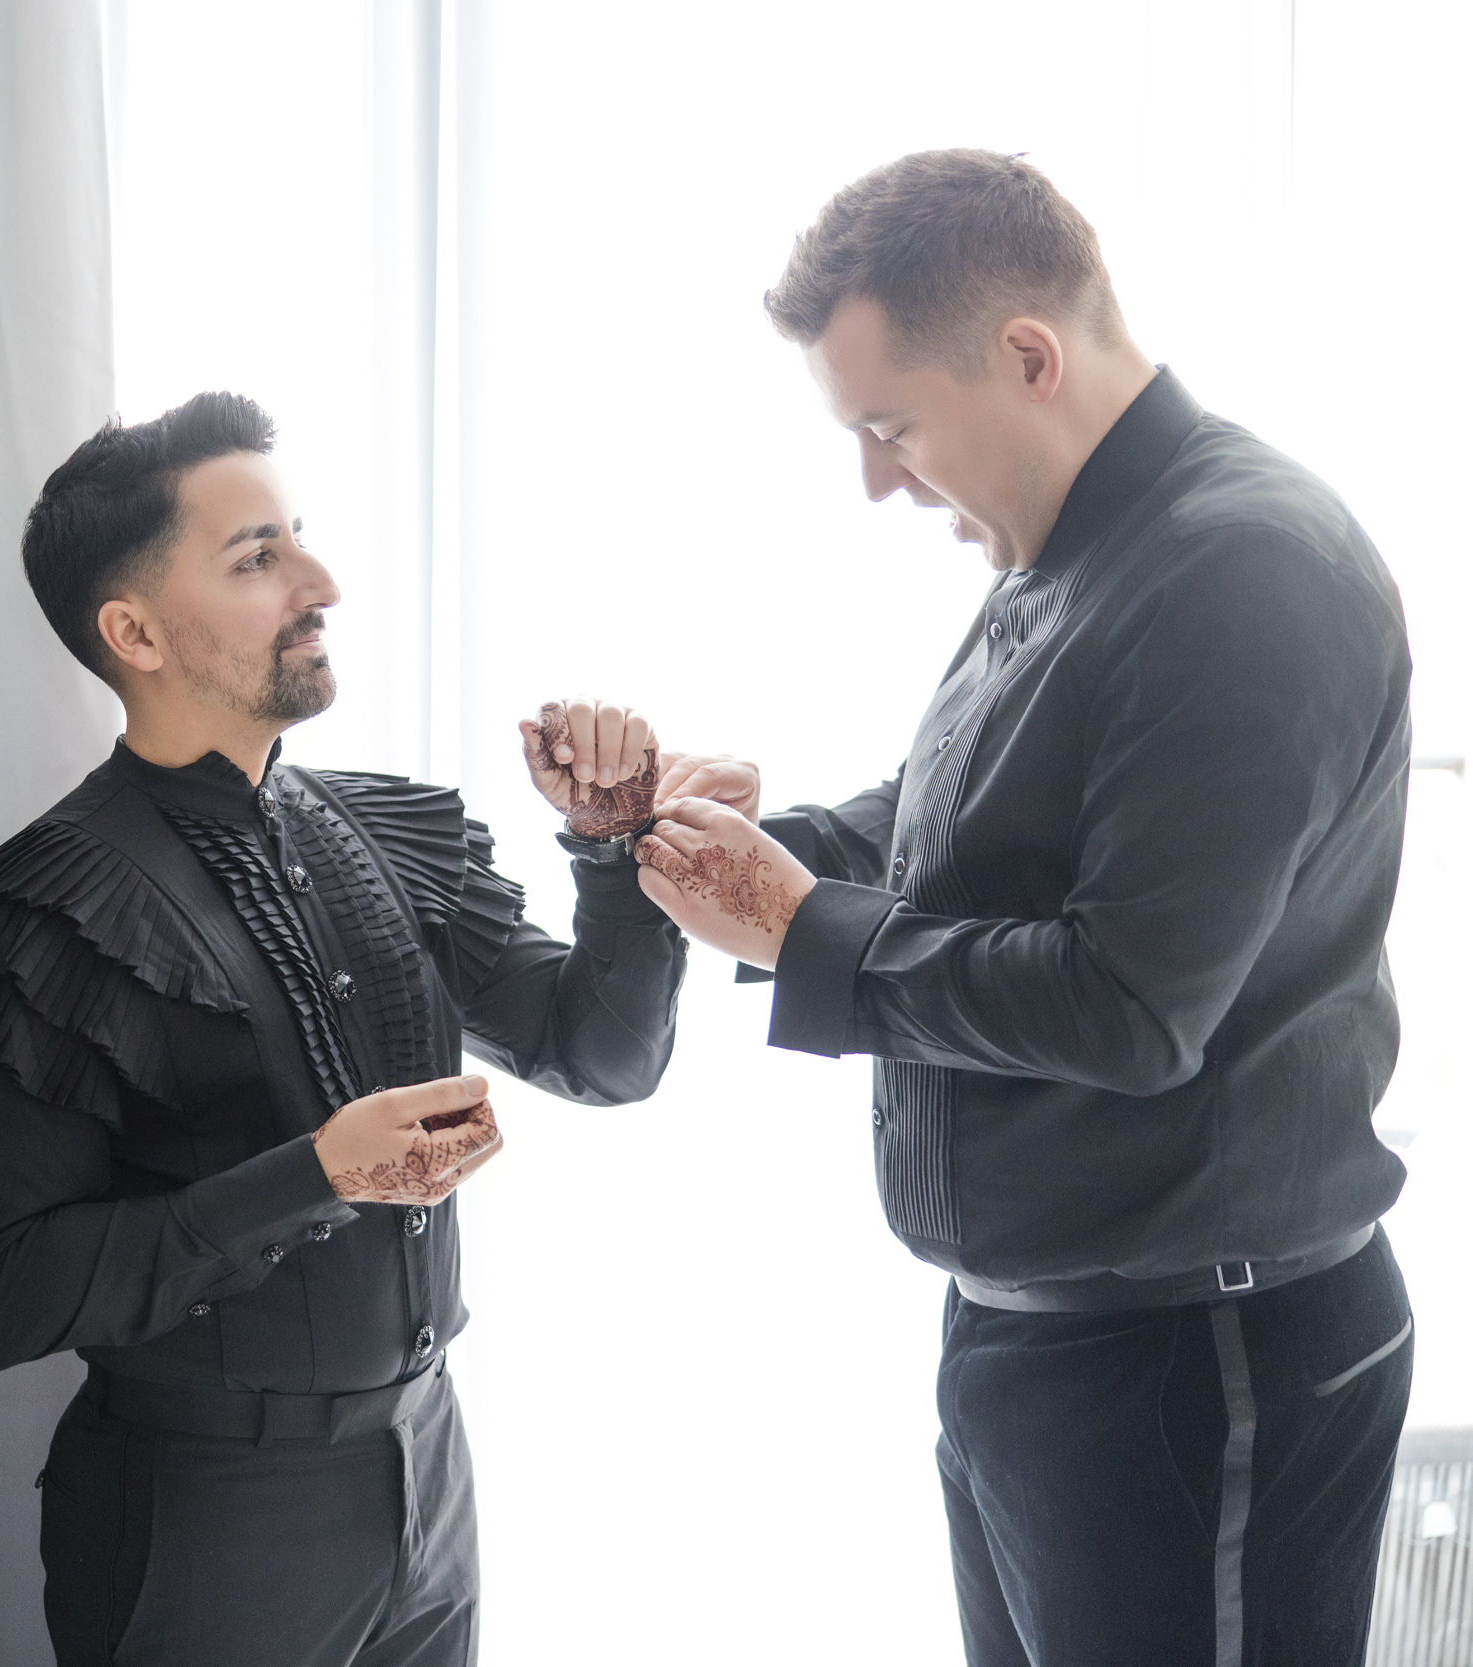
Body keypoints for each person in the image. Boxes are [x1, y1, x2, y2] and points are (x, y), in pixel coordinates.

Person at [606, 151, 1414, 1663]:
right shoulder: (1083, 547)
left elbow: (1130, 1003)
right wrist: (741, 851)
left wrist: (796, 925)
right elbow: (969, 832)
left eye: (891, 426)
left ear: (1029, 356)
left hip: (1192, 1360)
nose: (877, 479)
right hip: (1048, 1344)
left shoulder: (1241, 570)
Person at [0, 393, 687, 1667]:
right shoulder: (32, 925)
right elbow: (6, 1298)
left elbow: (603, 1056)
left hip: (429, 1469)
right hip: (208, 1522)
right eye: (257, 557)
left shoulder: (389, 835)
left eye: (298, 536)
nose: (321, 583)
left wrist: (613, 844)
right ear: (133, 631)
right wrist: (318, 1174)